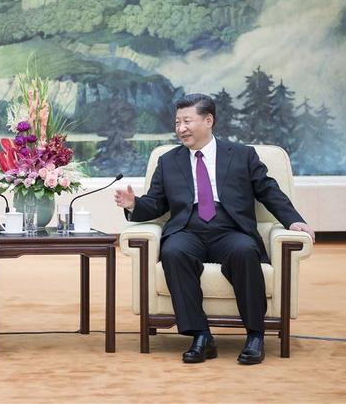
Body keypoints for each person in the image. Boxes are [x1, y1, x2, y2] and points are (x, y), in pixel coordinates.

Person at [114, 93, 314, 365]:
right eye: (177, 122)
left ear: (208, 120)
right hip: (188, 228)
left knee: (244, 251)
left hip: (230, 228)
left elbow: (268, 190)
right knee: (173, 252)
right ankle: (201, 335)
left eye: (187, 121)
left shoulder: (242, 155)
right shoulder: (169, 161)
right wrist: (133, 205)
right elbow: (156, 204)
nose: (180, 128)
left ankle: (255, 335)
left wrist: (293, 220)